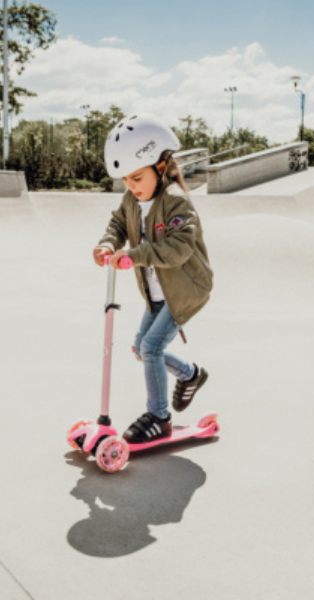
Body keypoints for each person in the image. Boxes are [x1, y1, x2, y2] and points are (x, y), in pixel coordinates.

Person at [93, 113, 213, 443]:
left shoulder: (176, 203)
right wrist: (108, 245)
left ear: (160, 167)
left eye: (136, 178)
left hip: (186, 289)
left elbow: (178, 248)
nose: (131, 187)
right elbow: (118, 224)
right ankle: (190, 375)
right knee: (140, 348)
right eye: (126, 181)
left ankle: (159, 416)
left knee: (151, 347)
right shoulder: (132, 200)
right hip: (157, 292)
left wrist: (135, 255)